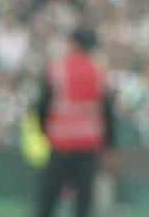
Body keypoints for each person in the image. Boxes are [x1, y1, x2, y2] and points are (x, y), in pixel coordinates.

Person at [34, 28, 115, 217]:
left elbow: (42, 106)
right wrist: (109, 143)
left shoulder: (57, 70)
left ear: (73, 44)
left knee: (48, 199)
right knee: (83, 202)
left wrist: (44, 132)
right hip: (88, 146)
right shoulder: (98, 72)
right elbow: (107, 111)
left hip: (60, 144)